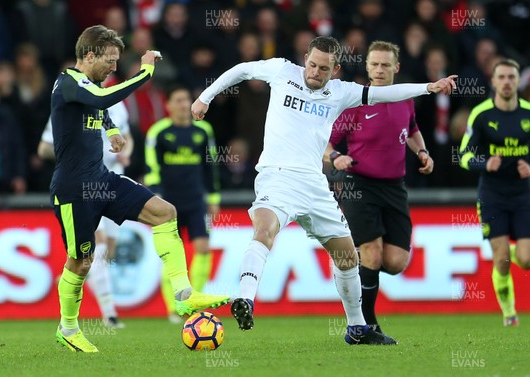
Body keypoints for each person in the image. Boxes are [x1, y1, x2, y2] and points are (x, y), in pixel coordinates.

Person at [192, 36, 456, 345]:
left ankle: (357, 328)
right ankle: (246, 299)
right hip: (277, 177)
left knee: (347, 257)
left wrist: (428, 87)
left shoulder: (342, 92)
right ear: (305, 58)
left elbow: (386, 94)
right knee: (264, 230)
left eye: (324, 68)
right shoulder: (281, 71)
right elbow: (241, 70)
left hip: (316, 185)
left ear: (336, 69)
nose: (315, 72)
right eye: (313, 64)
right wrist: (205, 98)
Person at [50, 25, 229, 353]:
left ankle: (184, 295)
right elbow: (101, 98)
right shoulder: (68, 82)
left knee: (165, 213)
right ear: (89, 55)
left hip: (103, 180)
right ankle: (69, 326)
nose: (114, 67)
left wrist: (113, 129)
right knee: (81, 260)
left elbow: (98, 107)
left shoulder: (88, 85)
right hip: (73, 188)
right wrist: (144, 71)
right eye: (110, 60)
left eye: (118, 61)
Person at [327, 41, 434, 340]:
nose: (379, 69)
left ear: (396, 68)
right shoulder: (356, 103)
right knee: (372, 254)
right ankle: (366, 326)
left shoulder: (405, 99)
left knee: (396, 262)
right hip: (360, 185)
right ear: (367, 67)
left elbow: (411, 130)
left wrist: (422, 152)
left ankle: (352, 269)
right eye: (374, 64)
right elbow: (327, 143)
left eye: (385, 65)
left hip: (394, 187)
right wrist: (337, 158)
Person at [38, 100, 132, 328]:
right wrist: (70, 154)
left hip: (113, 179)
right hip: (85, 181)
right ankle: (110, 314)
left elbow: (128, 137)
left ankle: (75, 276)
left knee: (107, 251)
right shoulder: (66, 108)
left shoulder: (116, 104)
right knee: (96, 244)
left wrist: (125, 152)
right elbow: (43, 148)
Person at [458, 58, 530, 327]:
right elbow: (463, 156)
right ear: (493, 81)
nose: (507, 82)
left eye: (512, 77)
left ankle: (518, 242)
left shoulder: (528, 113)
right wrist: (484, 163)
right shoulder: (481, 114)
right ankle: (509, 313)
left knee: (525, 259)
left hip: (524, 195)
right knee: (502, 260)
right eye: (502, 77)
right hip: (493, 196)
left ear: (518, 81)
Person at [144, 85, 221, 323]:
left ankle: (192, 298)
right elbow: (151, 169)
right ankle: (174, 306)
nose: (182, 105)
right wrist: (155, 198)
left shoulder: (203, 130)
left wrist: (213, 198)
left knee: (203, 248)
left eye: (186, 99)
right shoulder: (158, 132)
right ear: (168, 105)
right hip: (168, 204)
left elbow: (211, 167)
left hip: (196, 201)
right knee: (172, 255)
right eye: (177, 100)